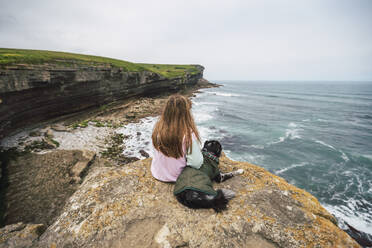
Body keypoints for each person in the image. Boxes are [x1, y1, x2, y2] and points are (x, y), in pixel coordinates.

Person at [151, 94, 203, 182]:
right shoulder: (188, 134)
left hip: (157, 173)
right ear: (186, 113)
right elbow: (196, 163)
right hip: (177, 177)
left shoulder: (158, 128)